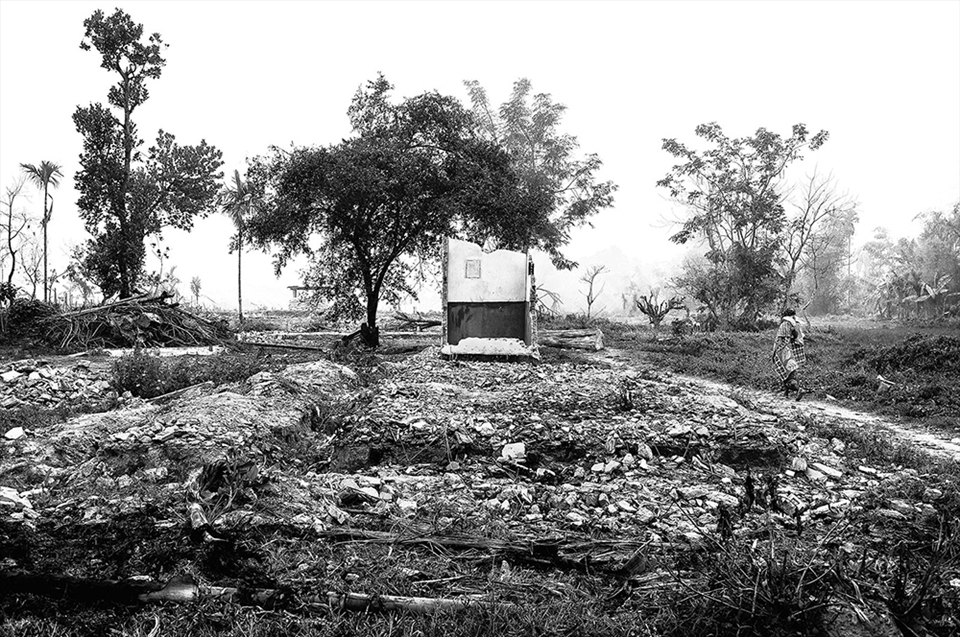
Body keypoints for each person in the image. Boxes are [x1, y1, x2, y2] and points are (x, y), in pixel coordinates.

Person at [771, 309, 805, 400]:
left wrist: (776, 351)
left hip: (783, 352)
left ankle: (798, 389)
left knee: (787, 373)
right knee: (788, 372)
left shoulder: (785, 324)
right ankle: (786, 393)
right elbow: (796, 338)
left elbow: (783, 340)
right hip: (791, 351)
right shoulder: (795, 324)